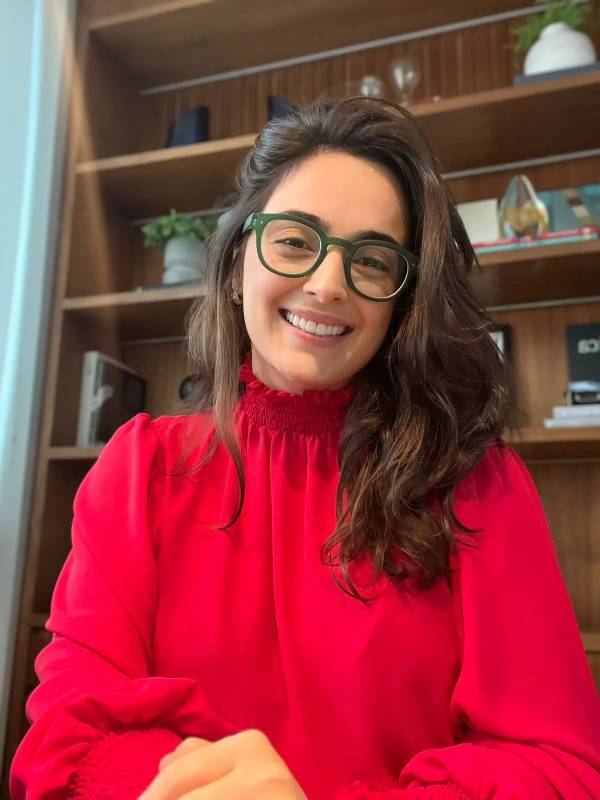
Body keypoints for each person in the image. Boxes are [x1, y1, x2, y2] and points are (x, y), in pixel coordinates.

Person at [10, 96, 600, 800]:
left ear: (400, 305)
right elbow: (71, 723)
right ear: (237, 267)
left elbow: (558, 765)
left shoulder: (477, 482)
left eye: (372, 261)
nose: (326, 285)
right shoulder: (142, 468)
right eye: (294, 241)